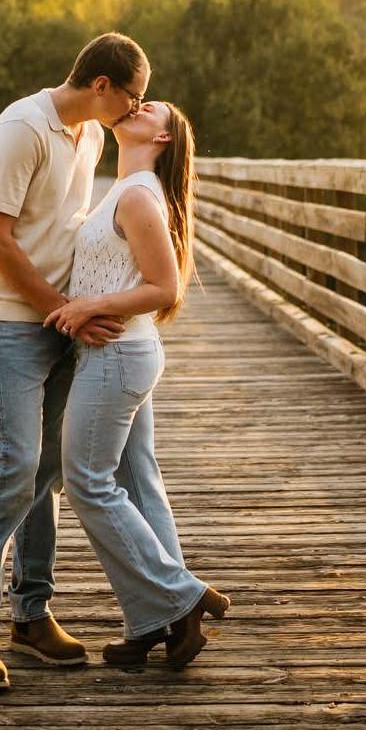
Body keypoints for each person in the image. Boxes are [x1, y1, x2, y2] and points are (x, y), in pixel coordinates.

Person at [0, 32, 151, 692]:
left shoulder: (89, 136)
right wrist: (59, 306)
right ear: (102, 85)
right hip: (13, 319)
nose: (132, 108)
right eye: (131, 97)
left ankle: (30, 613)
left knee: (49, 467)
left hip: (64, 318)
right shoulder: (22, 129)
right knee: (14, 466)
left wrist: (86, 305)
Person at [46, 99, 229, 671]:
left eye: (154, 108)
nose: (138, 105)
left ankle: (182, 594)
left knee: (86, 484)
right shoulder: (123, 188)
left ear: (166, 138)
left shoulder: (138, 195)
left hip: (118, 357)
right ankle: (159, 623)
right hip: (125, 354)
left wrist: (90, 307)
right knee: (137, 482)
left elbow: (165, 286)